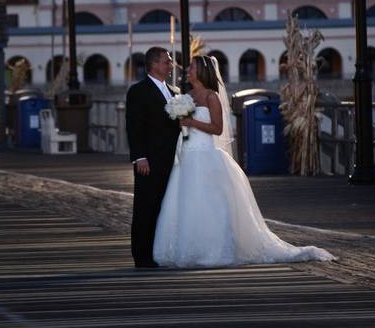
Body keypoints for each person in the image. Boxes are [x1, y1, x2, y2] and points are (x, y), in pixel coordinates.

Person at [152, 55, 334, 268]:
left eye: (191, 67)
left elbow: (217, 129)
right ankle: (187, 249)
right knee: (186, 203)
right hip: (188, 156)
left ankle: (214, 250)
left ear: (202, 71)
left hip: (205, 156)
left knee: (209, 204)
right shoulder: (187, 95)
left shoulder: (211, 97)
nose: (187, 70)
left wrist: (190, 121)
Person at [125, 46, 181, 268]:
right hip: (149, 160)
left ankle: (159, 251)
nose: (170, 65)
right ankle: (142, 255)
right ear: (154, 64)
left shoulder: (174, 92)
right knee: (145, 207)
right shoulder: (138, 91)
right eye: (167, 61)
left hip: (172, 160)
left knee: (164, 207)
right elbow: (134, 127)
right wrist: (139, 157)